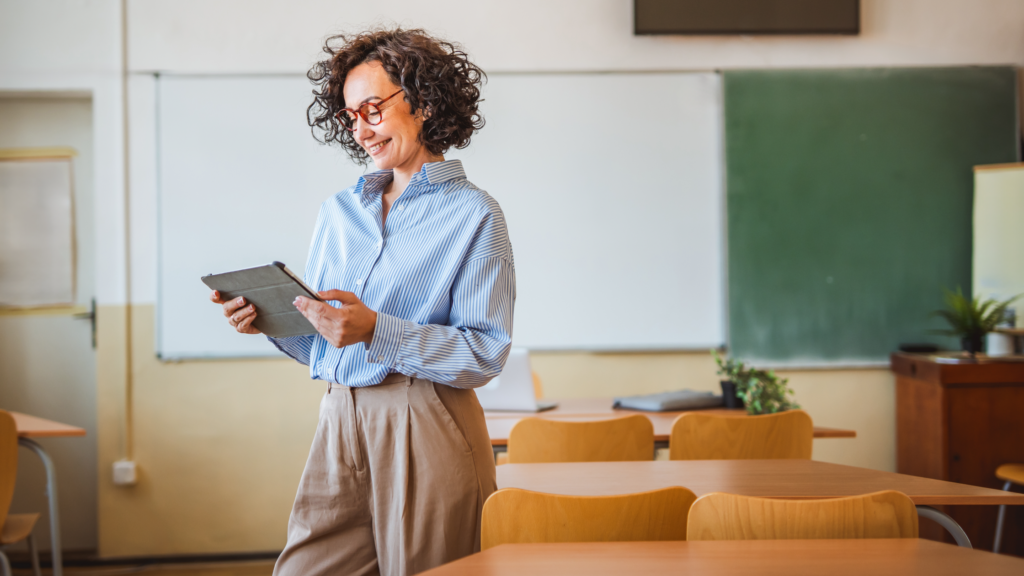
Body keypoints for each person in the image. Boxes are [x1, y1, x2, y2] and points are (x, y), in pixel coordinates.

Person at [209, 28, 513, 576]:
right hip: (338, 411)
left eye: (372, 109)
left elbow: (484, 354)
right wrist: (270, 321)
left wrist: (378, 330)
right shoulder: (339, 212)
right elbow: (329, 337)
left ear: (422, 102)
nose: (361, 129)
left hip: (425, 417)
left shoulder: (475, 215)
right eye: (351, 116)